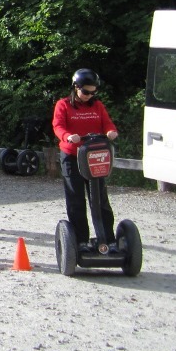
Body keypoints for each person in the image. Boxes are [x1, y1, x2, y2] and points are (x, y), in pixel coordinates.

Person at [52, 68, 119, 254]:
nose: (90, 95)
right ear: (76, 87)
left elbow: (107, 122)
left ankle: (107, 239)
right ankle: (81, 241)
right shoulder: (63, 105)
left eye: (93, 92)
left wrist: (111, 131)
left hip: (94, 156)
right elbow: (58, 126)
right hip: (72, 156)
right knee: (76, 200)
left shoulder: (97, 106)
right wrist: (67, 136)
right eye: (86, 92)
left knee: (100, 199)